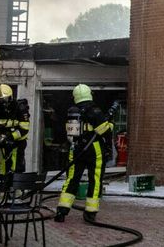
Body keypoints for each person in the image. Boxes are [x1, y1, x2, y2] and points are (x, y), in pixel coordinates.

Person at [55, 84, 113, 223]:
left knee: (72, 179)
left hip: (76, 149)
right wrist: (109, 123)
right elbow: (104, 131)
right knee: (95, 178)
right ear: (89, 94)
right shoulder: (95, 110)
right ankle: (90, 213)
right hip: (94, 148)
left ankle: (62, 211)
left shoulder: (72, 111)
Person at [0, 84, 30, 181]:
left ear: (11, 97)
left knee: (16, 167)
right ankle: (2, 188)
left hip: (18, 143)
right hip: (5, 142)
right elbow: (0, 126)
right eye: (0, 100)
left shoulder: (20, 108)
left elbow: (24, 129)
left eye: (5, 99)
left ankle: (16, 190)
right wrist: (3, 137)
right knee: (3, 167)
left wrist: (11, 137)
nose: (3, 102)